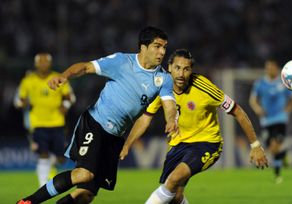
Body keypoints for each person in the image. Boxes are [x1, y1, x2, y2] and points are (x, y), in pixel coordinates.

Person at [17, 26, 178, 204]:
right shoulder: (121, 62)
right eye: (157, 46)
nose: (162, 52)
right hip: (95, 123)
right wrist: (65, 75)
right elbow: (86, 67)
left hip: (115, 137)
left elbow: (169, 106)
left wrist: (171, 121)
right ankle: (28, 202)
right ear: (143, 47)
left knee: (86, 194)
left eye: (164, 47)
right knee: (83, 174)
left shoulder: (164, 78)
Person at [120, 49, 269, 204]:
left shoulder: (204, 88)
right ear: (169, 67)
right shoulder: (161, 86)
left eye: (186, 69)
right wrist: (127, 144)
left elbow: (237, 111)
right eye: (177, 68)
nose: (181, 74)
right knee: (175, 196)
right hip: (178, 144)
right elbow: (145, 118)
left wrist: (255, 145)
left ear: (191, 70)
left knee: (173, 180)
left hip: (206, 143)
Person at [14, 53, 76, 187]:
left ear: (50, 63)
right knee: (43, 153)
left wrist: (65, 106)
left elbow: (70, 97)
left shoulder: (58, 78)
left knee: (61, 158)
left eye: (45, 62)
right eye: (40, 62)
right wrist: (22, 103)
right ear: (36, 64)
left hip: (57, 122)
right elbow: (19, 100)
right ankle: (43, 185)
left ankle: (51, 163)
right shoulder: (28, 80)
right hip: (37, 123)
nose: (43, 64)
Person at [249, 59, 292, 184]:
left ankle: (277, 176)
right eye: (267, 68)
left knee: (274, 146)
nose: (269, 70)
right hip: (266, 120)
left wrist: (287, 109)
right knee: (272, 149)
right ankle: (283, 154)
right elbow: (253, 100)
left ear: (277, 68)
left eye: (271, 67)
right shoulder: (260, 83)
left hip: (280, 119)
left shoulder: (284, 82)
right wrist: (257, 109)